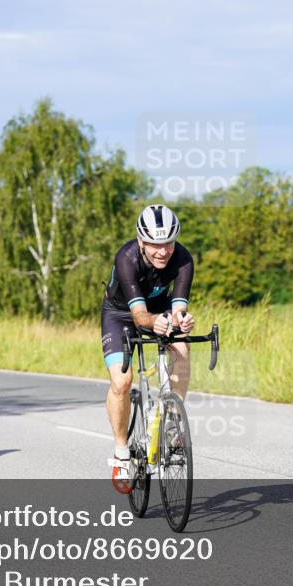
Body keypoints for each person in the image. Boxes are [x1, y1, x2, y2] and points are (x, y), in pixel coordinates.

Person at [101, 205, 195, 491]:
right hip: (120, 315)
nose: (162, 251)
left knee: (182, 348)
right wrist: (156, 322)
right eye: (154, 244)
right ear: (141, 241)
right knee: (122, 380)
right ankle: (121, 454)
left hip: (159, 310)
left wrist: (182, 320)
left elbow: (178, 307)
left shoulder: (184, 259)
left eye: (168, 243)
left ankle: (172, 422)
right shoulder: (126, 258)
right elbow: (141, 317)